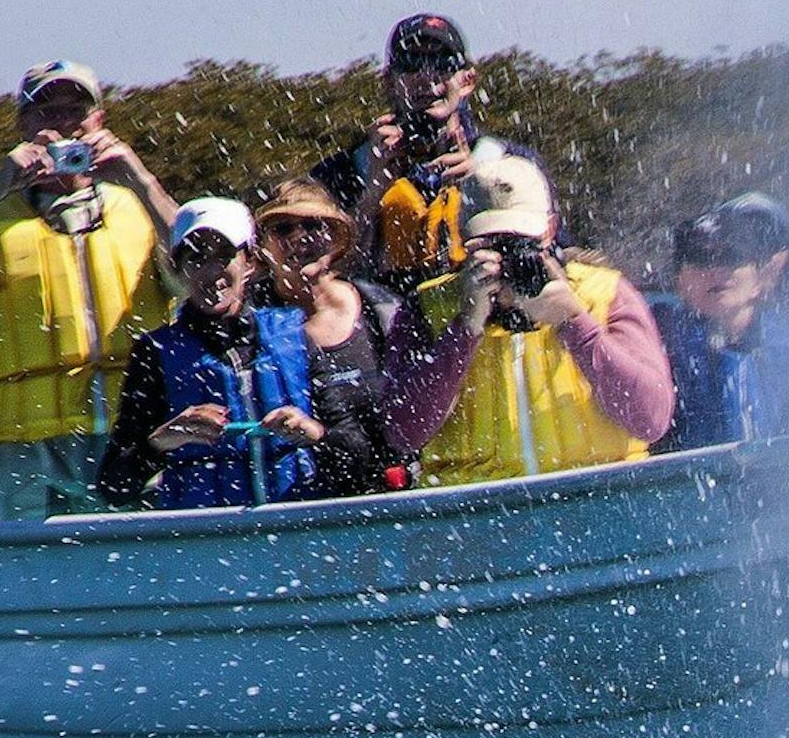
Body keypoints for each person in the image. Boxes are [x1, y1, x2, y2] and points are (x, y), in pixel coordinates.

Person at [0, 59, 179, 519]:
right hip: (24, 450)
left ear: (99, 120)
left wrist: (140, 176)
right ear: (23, 126)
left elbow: (208, 271)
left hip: (132, 437)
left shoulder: (139, 202)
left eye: (76, 112)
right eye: (46, 113)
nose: (63, 126)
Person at [377, 150, 673, 486]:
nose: (507, 257)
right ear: (464, 239)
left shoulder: (605, 293)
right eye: (492, 244)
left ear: (550, 230)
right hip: (479, 515)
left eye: (520, 242)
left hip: (598, 499)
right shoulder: (427, 308)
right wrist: (464, 329)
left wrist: (576, 323)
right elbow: (402, 433)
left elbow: (651, 419)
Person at [97, 200, 322, 509]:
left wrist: (314, 434)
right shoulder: (155, 353)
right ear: (177, 268)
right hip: (209, 541)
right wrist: (162, 441)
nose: (211, 271)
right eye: (197, 258)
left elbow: (355, 447)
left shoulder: (295, 333)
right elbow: (113, 485)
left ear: (250, 263)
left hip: (296, 529)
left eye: (224, 256)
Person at [310, 13, 528, 292]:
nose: (427, 76)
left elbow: (545, 258)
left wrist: (485, 187)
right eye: (412, 65)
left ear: (467, 80)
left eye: (442, 64)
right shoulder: (340, 172)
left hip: (475, 318)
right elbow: (314, 277)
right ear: (389, 82)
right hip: (386, 319)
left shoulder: (510, 164)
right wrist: (373, 193)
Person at [254, 178, 400, 495]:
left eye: (312, 225)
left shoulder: (381, 308)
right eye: (282, 229)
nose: (299, 238)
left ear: (334, 237)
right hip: (300, 503)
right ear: (263, 246)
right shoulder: (252, 326)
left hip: (392, 491)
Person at [648, 194, 789, 450]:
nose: (715, 270)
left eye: (732, 257)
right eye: (700, 258)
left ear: (762, 277)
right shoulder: (656, 337)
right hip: (689, 484)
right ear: (679, 281)